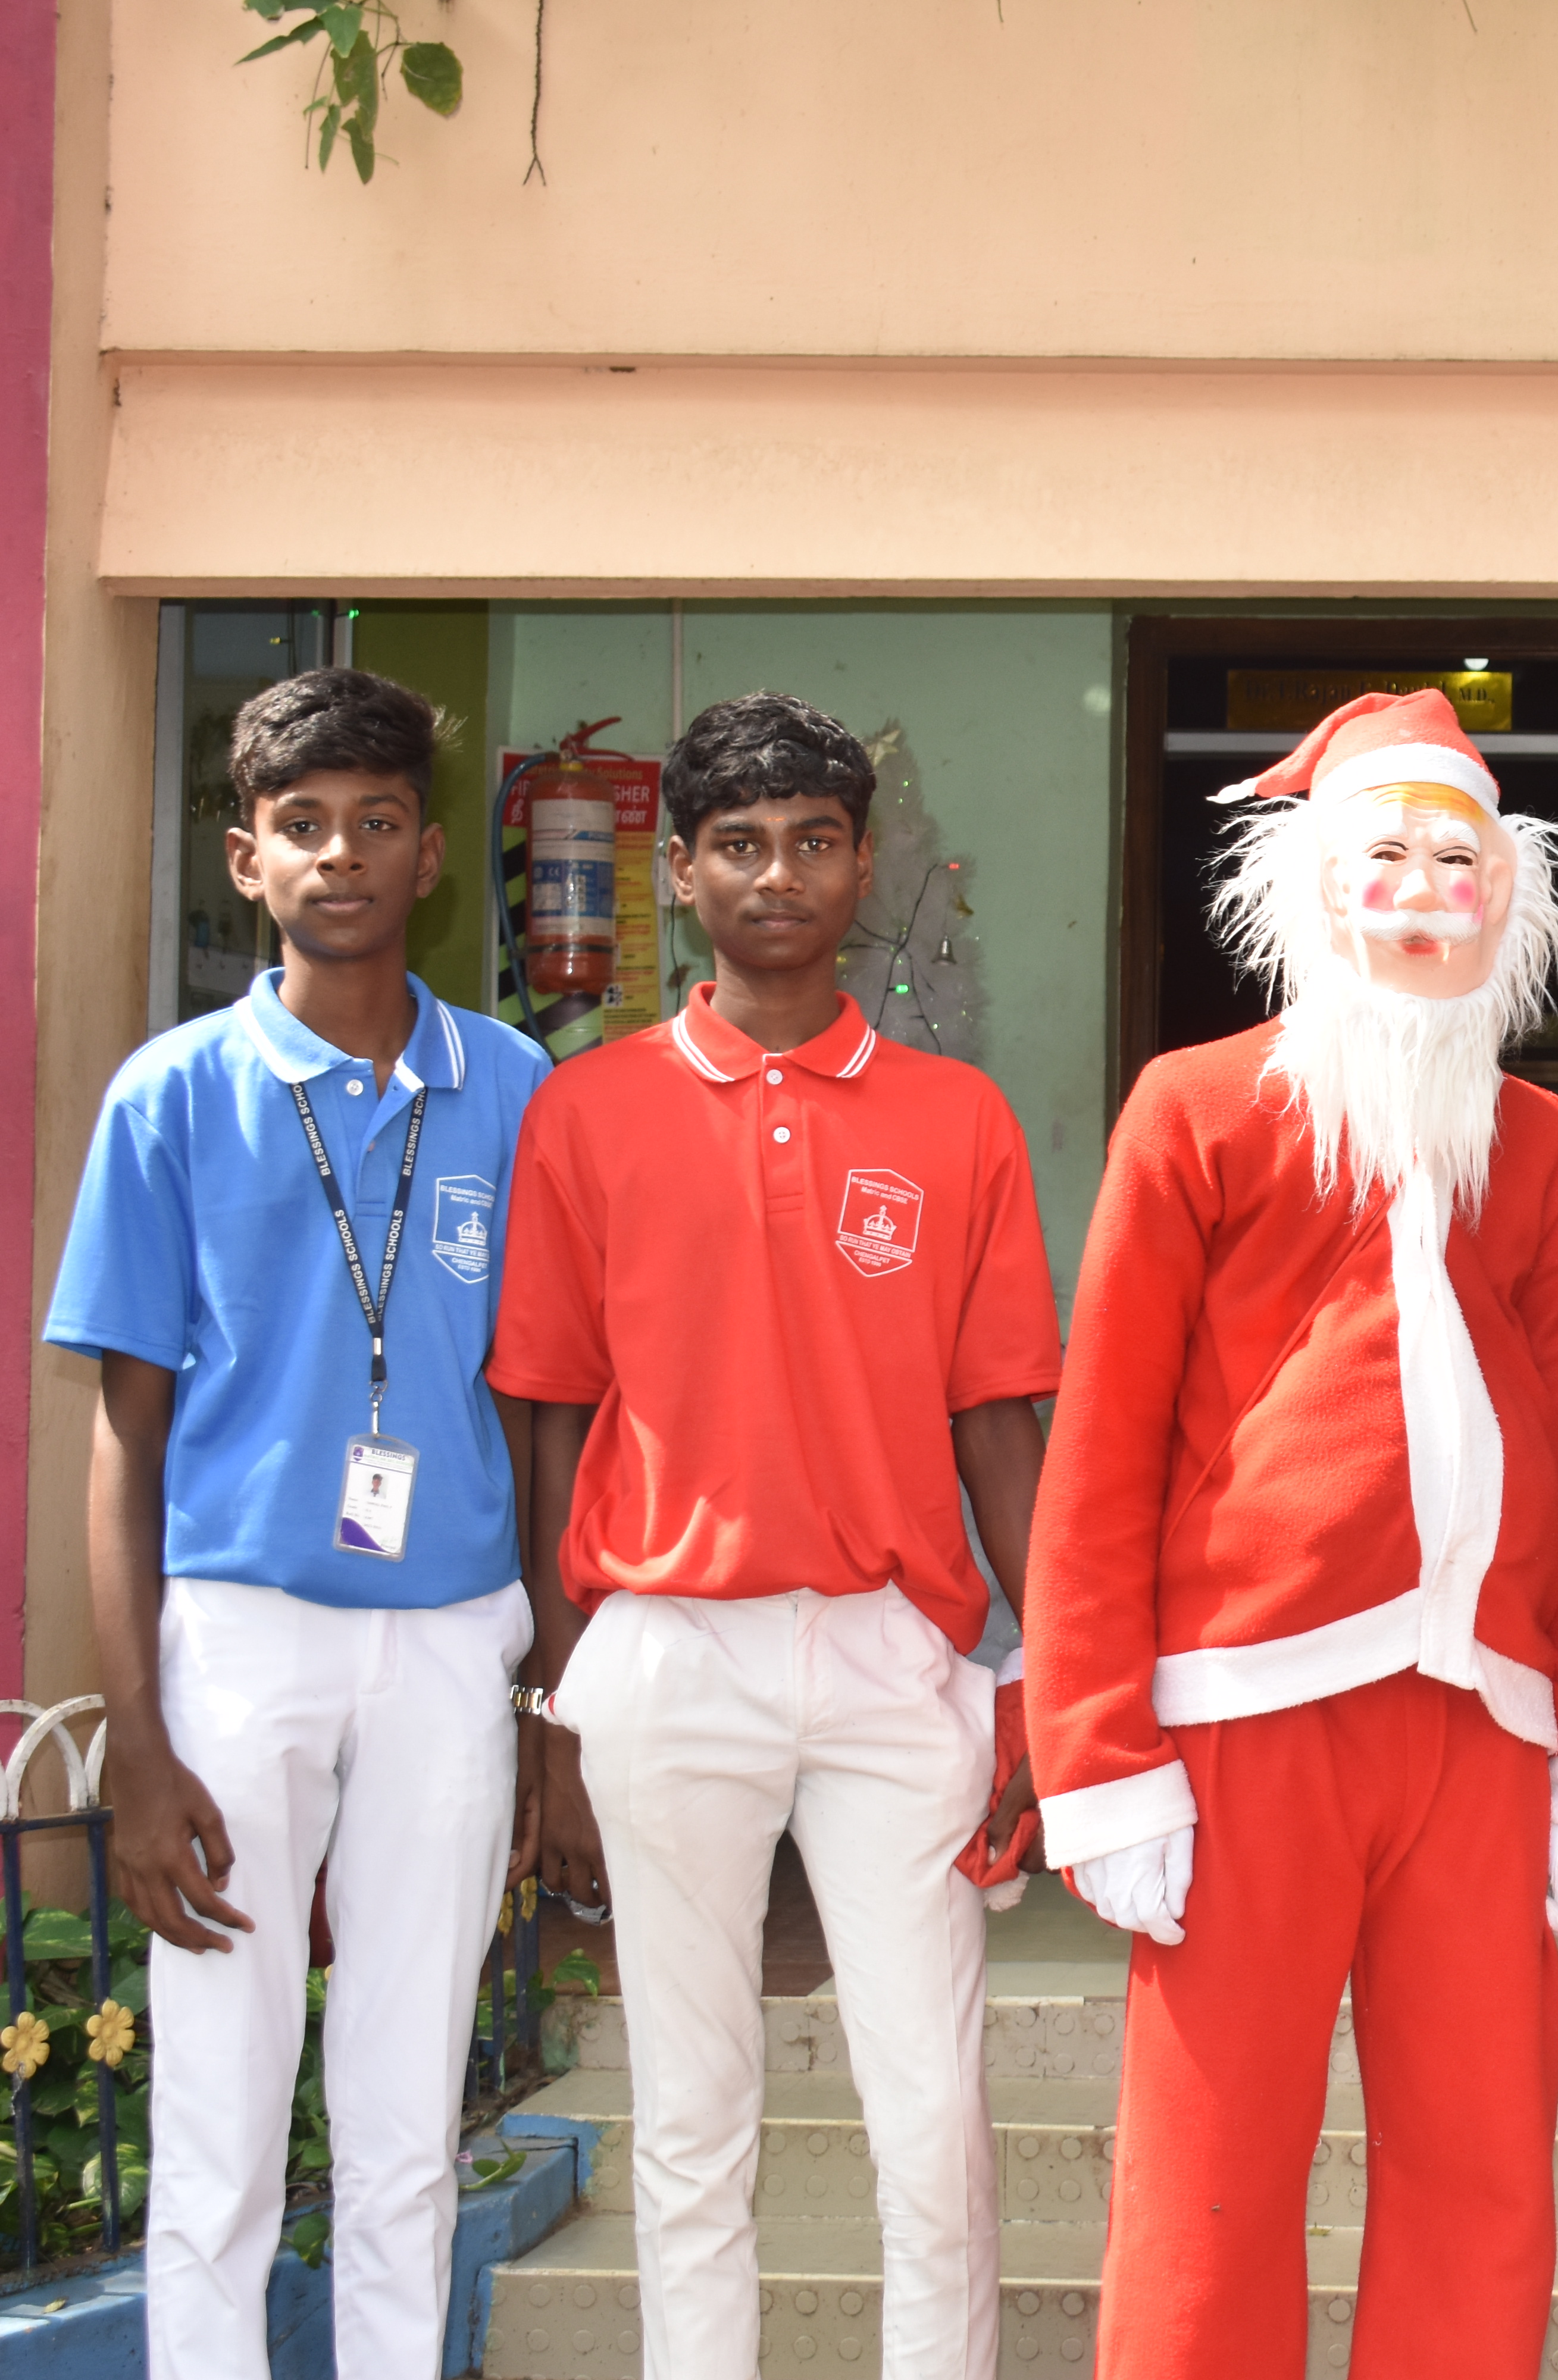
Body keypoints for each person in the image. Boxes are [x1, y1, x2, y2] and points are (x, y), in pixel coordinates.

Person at [1019, 688, 1558, 2376]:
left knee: (1484, 2164)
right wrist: (1099, 1751)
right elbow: (1102, 1455)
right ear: (1313, 886)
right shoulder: (1199, 1107)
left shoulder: (1546, 1150)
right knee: (1211, 2171)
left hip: (1487, 1722)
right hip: (1248, 1712)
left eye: (1461, 861)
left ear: (1512, 898)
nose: (1427, 893)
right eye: (1387, 857)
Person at [498, 691, 1064, 2380]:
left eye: (814, 842)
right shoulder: (587, 1111)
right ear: (679, 873)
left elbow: (1001, 1423)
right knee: (690, 2121)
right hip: (666, 1650)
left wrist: (1052, 1675)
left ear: (862, 866)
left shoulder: (959, 1120)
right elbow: (549, 1415)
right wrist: (557, 1700)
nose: (778, 876)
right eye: (739, 846)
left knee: (935, 2125)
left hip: (897, 1656)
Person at [45, 669, 552, 2373]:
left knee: (410, 2107)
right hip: (241, 1633)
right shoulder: (172, 1094)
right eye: (303, 824)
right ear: (246, 857)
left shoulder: (514, 1086)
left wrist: (543, 1690)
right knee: (220, 2104)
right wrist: (136, 1743)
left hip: (454, 1632)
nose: (341, 853)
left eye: (377, 821)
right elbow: (125, 1434)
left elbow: (543, 1405)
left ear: (430, 856)